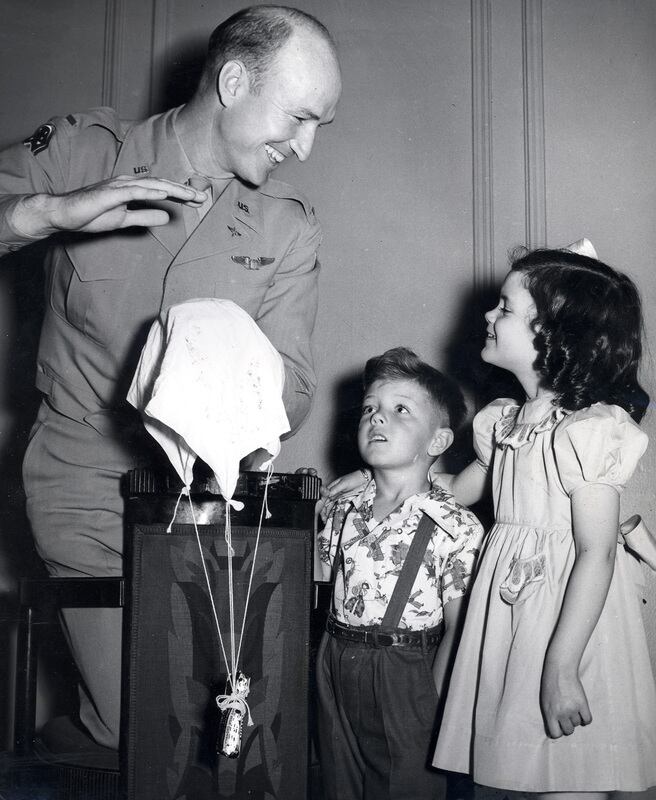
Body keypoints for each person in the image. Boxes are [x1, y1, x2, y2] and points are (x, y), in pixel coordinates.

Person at [0, 5, 341, 750]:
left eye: (321, 126)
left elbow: (293, 385)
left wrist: (226, 371)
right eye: (299, 118)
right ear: (232, 80)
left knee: (222, 729)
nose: (306, 147)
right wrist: (47, 213)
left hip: (211, 503)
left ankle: (78, 748)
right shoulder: (90, 151)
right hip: (83, 480)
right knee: (155, 726)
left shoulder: (287, 226)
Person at [325, 245, 656, 797]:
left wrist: (563, 665)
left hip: (569, 614)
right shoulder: (502, 422)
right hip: (513, 606)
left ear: (555, 333)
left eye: (504, 307)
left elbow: (595, 552)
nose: (487, 315)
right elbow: (452, 488)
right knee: (528, 765)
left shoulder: (590, 430)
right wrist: (378, 476)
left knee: (571, 771)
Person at [315, 346, 484, 800]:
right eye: (369, 408)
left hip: (406, 672)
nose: (377, 418)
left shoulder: (456, 526)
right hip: (335, 658)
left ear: (439, 442)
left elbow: (459, 628)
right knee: (337, 781)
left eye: (400, 409)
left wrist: (431, 698)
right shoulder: (341, 508)